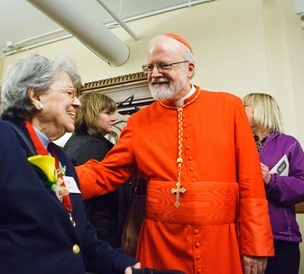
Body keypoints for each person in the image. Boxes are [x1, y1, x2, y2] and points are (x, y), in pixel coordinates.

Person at [75, 34, 274, 274]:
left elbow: (251, 182)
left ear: (189, 68)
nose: (155, 73)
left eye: (164, 65)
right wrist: (52, 178)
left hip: (220, 242)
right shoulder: (139, 122)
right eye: (150, 67)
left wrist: (255, 245)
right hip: (161, 243)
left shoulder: (229, 107)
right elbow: (106, 173)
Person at [0, 53, 139, 274]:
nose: (77, 102)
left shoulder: (61, 157)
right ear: (35, 96)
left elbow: (81, 235)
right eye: (69, 93)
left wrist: (125, 266)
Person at [242, 93, 304, 274]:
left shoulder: (289, 144)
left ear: (262, 110)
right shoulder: (237, 143)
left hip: (281, 239)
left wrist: (271, 180)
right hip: (245, 237)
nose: (239, 109)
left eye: (245, 105)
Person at [63, 92, 124, 248]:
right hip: (99, 236)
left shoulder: (76, 141)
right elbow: (98, 203)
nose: (114, 118)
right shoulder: (94, 146)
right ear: (91, 114)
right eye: (107, 113)